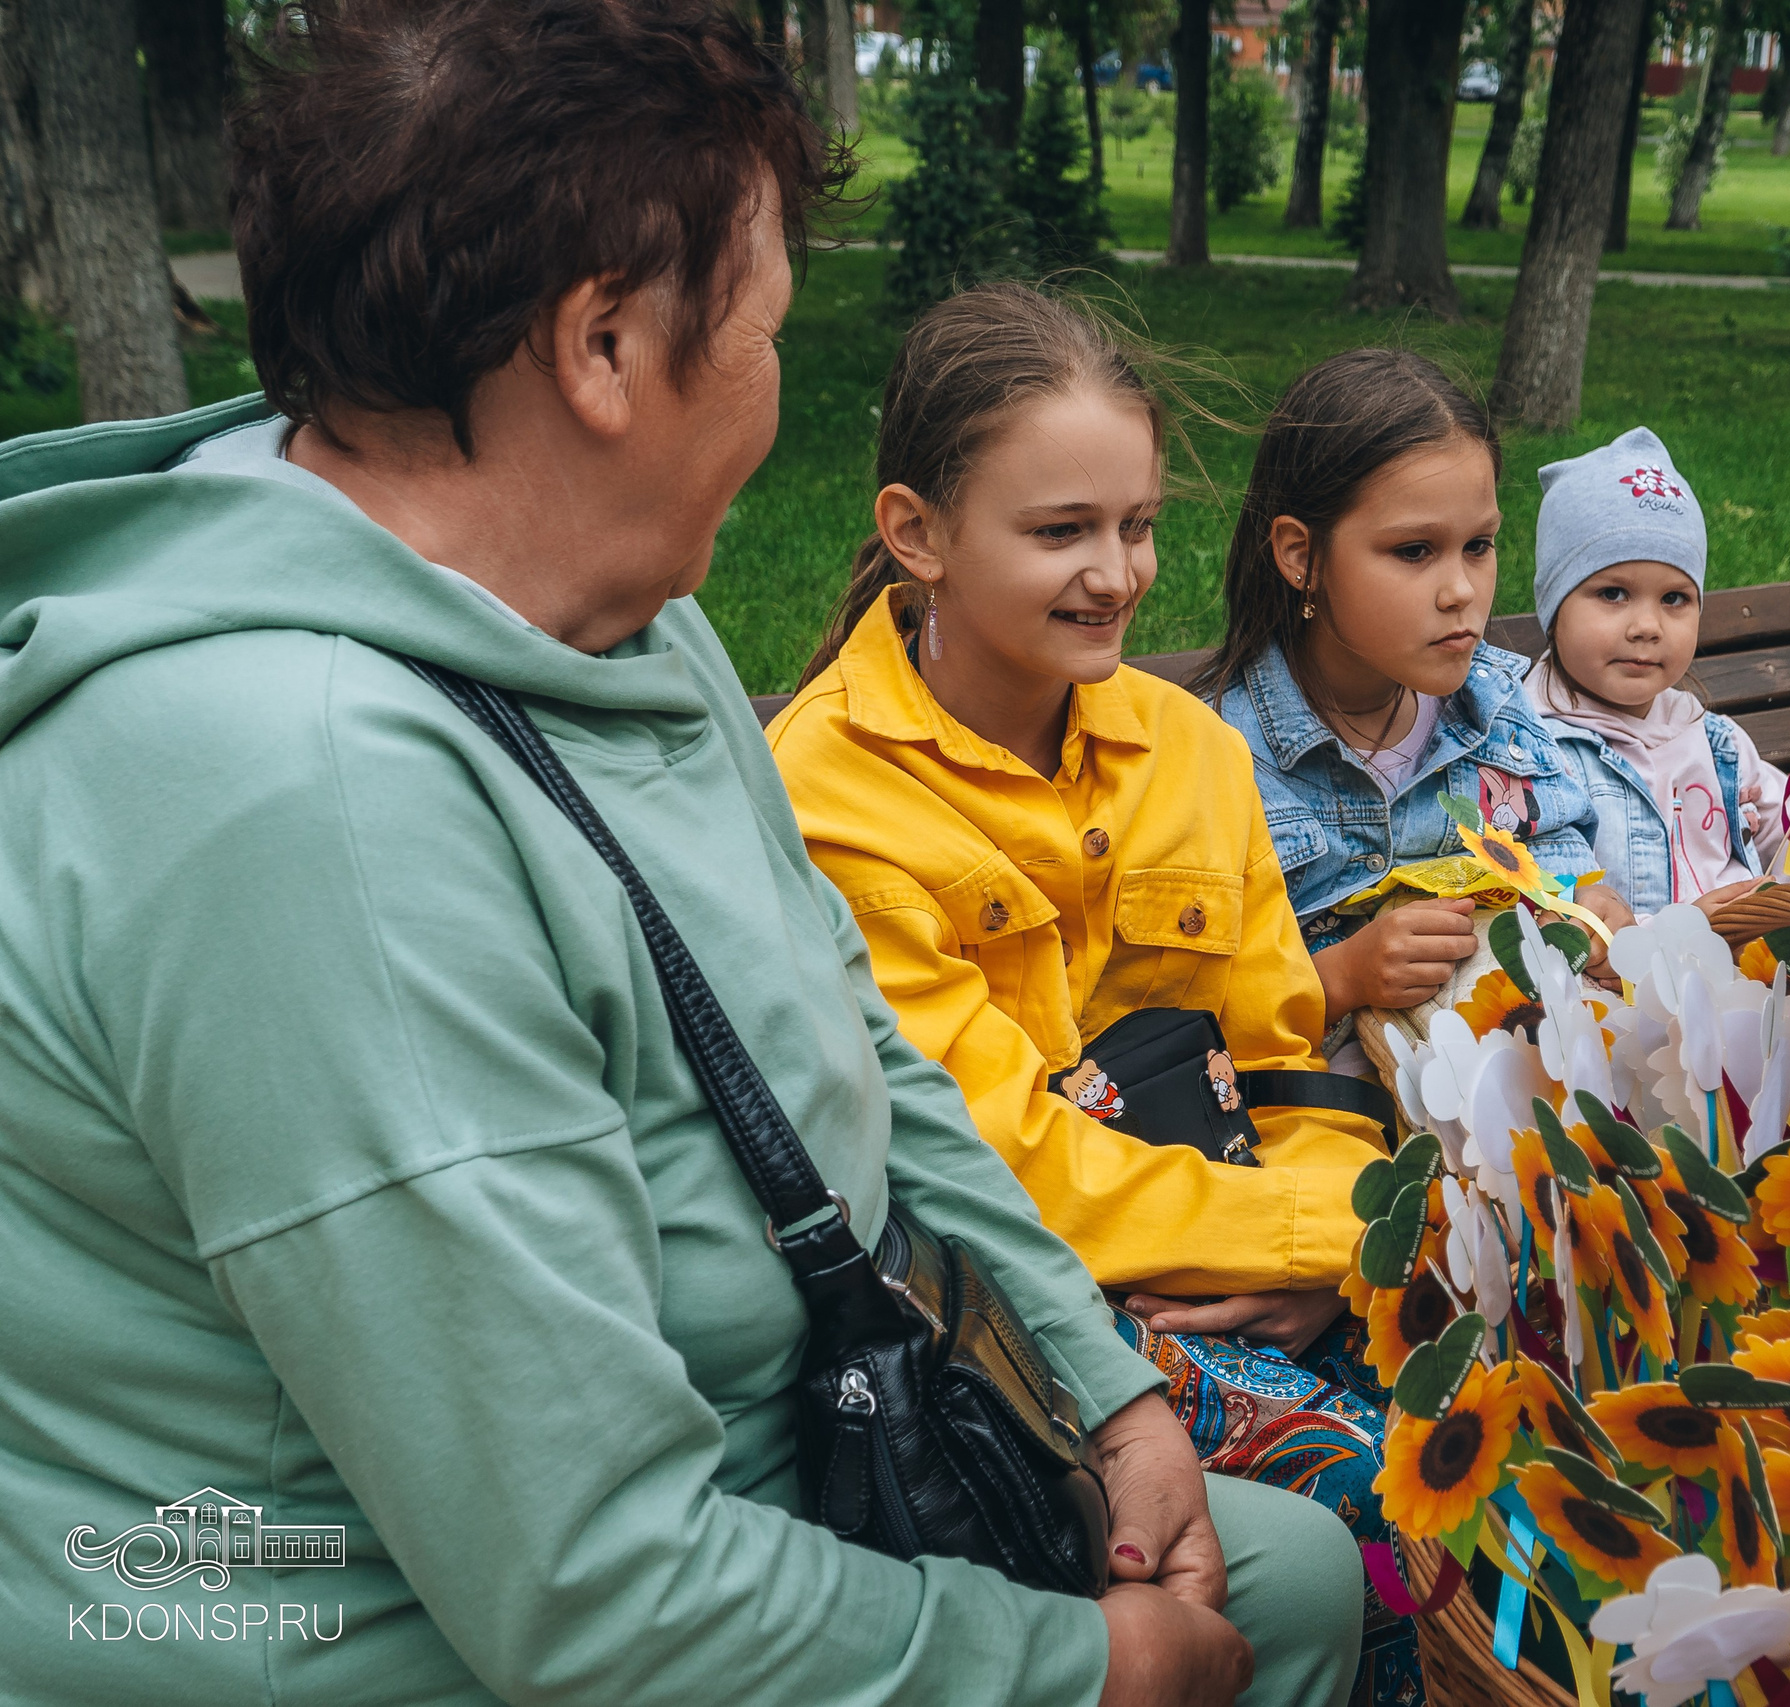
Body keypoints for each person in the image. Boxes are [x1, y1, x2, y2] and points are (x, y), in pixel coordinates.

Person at [0, 6, 1357, 1705]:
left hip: (764, 1459)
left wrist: (1107, 1384)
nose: (785, 387)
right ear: (606, 348)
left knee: (1290, 1575)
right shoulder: (309, 810)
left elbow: (841, 1029)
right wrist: (1079, 1664)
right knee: (1273, 1613)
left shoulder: (617, 613)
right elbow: (593, 1590)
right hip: (367, 1634)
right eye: (772, 327)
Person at [767, 285, 1416, 1707]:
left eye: (1135, 524)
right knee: (1411, 1484)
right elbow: (995, 1154)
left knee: (1553, 1398)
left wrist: (1325, 1240)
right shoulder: (833, 796)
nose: (1118, 573)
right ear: (915, 533)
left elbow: (1288, 1044)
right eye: (1061, 530)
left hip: (1259, 1256)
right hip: (1008, 1303)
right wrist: (1329, 1236)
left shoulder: (1185, 745)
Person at [1193, 349, 1633, 1045]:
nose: (1461, 589)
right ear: (1302, 556)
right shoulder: (1219, 755)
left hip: (1516, 1086)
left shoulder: (1496, 708)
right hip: (1329, 1119)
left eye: (1479, 545)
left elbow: (1561, 857)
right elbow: (1198, 995)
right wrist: (1342, 975)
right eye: (1415, 550)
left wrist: (1587, 908)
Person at [1528, 425, 1790, 917]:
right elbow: (1548, 920)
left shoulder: (1715, 743)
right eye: (1613, 593)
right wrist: (1690, 928)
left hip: (1746, 970)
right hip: (1621, 987)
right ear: (1553, 605)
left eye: (1674, 599)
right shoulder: (1530, 755)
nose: (1647, 626)